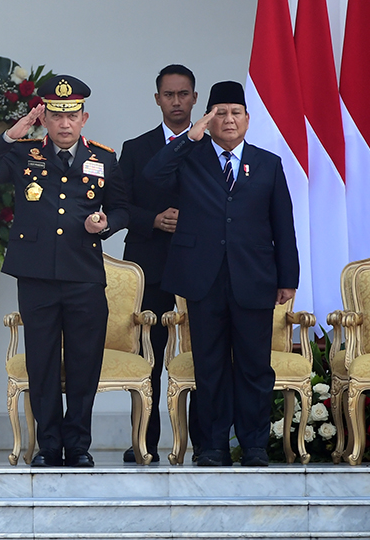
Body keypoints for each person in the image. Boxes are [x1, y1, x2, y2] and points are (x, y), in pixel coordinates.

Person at [0, 74, 129, 468]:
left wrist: (105, 223)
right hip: (37, 276)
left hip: (84, 276)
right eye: (56, 116)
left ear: (84, 117)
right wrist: (12, 133)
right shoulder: (24, 154)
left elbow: (126, 208)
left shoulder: (104, 158)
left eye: (71, 115)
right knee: (41, 362)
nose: (64, 124)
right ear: (45, 119)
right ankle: (48, 446)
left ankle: (78, 445)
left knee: (82, 362)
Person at [144, 80, 298, 467]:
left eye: (235, 113)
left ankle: (254, 446)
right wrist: (189, 138)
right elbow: (152, 174)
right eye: (220, 113)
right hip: (204, 277)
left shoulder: (268, 163)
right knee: (209, 365)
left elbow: (283, 224)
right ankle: (211, 446)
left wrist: (288, 278)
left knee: (254, 367)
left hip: (255, 277)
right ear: (208, 119)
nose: (229, 120)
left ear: (247, 119)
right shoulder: (190, 158)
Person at [118, 64, 203, 463]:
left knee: (204, 356)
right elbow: (117, 207)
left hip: (201, 264)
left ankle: (208, 444)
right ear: (157, 99)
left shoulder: (211, 145)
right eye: (168, 95)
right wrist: (152, 219)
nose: (176, 102)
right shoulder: (136, 149)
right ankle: (144, 444)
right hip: (150, 264)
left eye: (183, 94)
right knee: (147, 359)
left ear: (195, 98)